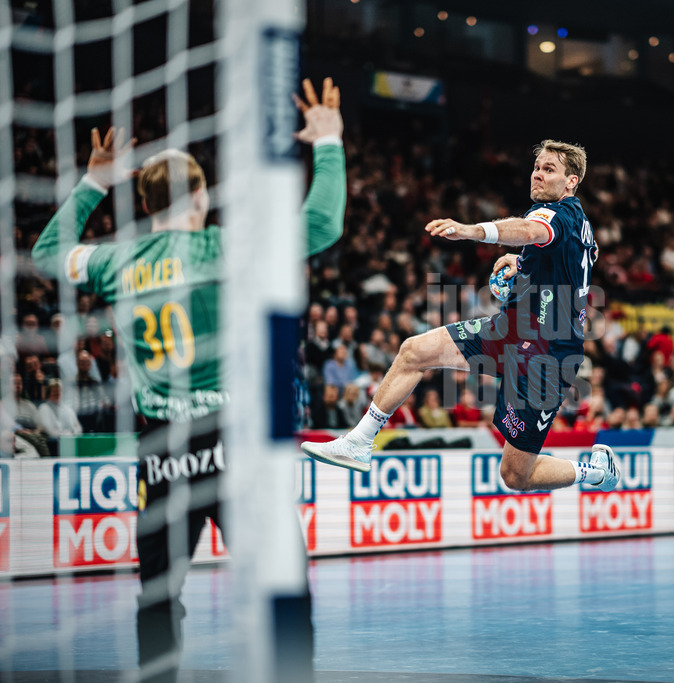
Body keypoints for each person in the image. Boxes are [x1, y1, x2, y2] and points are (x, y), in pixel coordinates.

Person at [31, 78, 346, 682]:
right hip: (236, 443)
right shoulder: (227, 248)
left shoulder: (114, 261)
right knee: (281, 581)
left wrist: (95, 181)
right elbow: (321, 224)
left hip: (162, 449)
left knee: (157, 596)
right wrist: (328, 143)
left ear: (146, 206)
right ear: (201, 196)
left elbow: (48, 253)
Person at [303, 139, 621, 492]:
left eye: (549, 170)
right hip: (512, 331)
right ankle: (359, 442)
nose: (538, 175)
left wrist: (471, 231)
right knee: (413, 351)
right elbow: (566, 269)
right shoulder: (576, 222)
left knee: (515, 476)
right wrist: (521, 263)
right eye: (536, 167)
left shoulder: (555, 215)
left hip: (546, 358)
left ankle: (596, 472)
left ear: (571, 181)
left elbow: (531, 230)